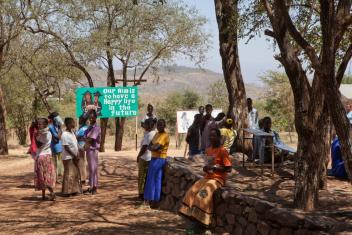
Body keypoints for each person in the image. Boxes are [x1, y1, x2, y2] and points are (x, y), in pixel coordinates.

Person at [179, 129, 232, 231]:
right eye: (210, 136)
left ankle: (201, 223)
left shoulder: (222, 151)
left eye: (214, 136)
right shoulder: (208, 150)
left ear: (219, 137)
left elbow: (228, 168)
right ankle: (192, 219)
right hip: (207, 177)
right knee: (191, 192)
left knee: (202, 195)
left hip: (217, 179)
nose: (212, 138)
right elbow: (206, 166)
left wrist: (216, 168)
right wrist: (206, 168)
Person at [144, 119, 170, 203]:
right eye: (158, 125)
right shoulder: (156, 134)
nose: (159, 127)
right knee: (157, 178)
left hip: (160, 159)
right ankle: (155, 199)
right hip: (154, 157)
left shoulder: (165, 135)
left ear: (164, 125)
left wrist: (153, 148)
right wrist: (153, 148)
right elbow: (150, 146)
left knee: (151, 177)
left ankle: (151, 199)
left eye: (161, 125)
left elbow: (155, 147)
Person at [34, 118, 56, 201]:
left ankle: (52, 193)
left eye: (40, 124)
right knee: (43, 176)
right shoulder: (48, 132)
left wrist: (35, 137)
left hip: (42, 156)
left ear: (45, 125)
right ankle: (43, 195)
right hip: (47, 156)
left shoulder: (43, 134)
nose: (39, 125)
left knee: (44, 176)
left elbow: (39, 145)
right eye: (38, 124)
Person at [136, 118, 156, 201]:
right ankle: (146, 194)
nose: (144, 126)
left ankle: (141, 194)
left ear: (150, 125)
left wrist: (138, 156)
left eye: (146, 124)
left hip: (145, 158)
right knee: (147, 176)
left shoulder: (149, 134)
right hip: (150, 157)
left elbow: (144, 147)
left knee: (142, 177)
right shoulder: (153, 133)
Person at [61, 118, 81, 196]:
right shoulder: (64, 134)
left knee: (75, 174)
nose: (74, 123)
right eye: (73, 122)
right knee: (68, 174)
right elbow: (66, 147)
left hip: (74, 156)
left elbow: (75, 144)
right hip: (68, 157)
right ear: (68, 124)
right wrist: (74, 155)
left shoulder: (72, 132)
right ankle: (67, 191)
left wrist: (77, 154)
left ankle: (74, 190)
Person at [84, 110, 101, 195]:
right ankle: (91, 186)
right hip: (89, 149)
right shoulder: (89, 127)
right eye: (89, 117)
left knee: (93, 169)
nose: (90, 118)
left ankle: (94, 187)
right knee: (90, 169)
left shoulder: (96, 127)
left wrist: (84, 140)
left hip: (93, 150)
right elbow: (86, 138)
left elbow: (90, 139)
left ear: (95, 117)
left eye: (92, 117)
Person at [48, 112, 64, 183]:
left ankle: (58, 178)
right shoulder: (51, 127)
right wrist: (60, 128)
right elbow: (58, 137)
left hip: (60, 147)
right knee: (54, 164)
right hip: (54, 147)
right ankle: (55, 179)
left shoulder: (57, 126)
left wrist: (60, 128)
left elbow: (61, 136)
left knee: (60, 164)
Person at [76, 116, 89, 184]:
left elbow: (76, 137)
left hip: (81, 147)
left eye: (80, 119)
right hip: (83, 147)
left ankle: (82, 178)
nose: (79, 121)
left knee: (82, 163)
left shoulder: (83, 129)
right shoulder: (84, 128)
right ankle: (83, 178)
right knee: (83, 162)